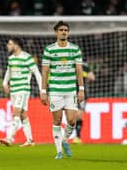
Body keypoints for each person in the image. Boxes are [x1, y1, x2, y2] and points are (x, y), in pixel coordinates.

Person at [40, 21, 84, 159]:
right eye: (61, 30)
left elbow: (79, 70)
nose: (64, 32)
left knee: (72, 120)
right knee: (57, 121)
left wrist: (81, 89)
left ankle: (64, 140)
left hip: (70, 90)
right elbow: (45, 72)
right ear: (56, 32)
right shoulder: (49, 50)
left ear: (68, 32)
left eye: (66, 30)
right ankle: (59, 151)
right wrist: (43, 91)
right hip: (55, 91)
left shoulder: (75, 49)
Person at [0, 37, 42, 147]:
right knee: (23, 115)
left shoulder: (27, 58)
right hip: (13, 89)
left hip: (23, 89)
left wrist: (42, 90)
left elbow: (37, 73)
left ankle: (9, 138)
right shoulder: (11, 58)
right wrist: (4, 83)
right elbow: (9, 72)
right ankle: (30, 140)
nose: (7, 46)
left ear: (16, 45)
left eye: (9, 44)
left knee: (16, 113)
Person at [73, 62, 95, 144]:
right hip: (70, 93)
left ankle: (78, 137)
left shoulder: (84, 66)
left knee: (79, 114)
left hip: (82, 93)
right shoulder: (69, 64)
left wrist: (82, 73)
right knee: (72, 115)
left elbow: (92, 77)